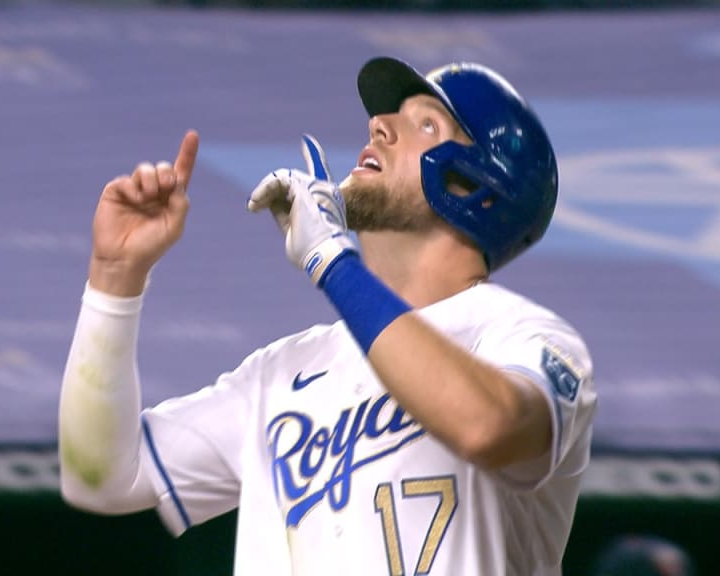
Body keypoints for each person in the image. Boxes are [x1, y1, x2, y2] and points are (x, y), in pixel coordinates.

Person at [57, 56, 598, 576]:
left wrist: (333, 263)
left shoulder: (524, 335)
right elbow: (103, 478)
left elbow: (489, 426)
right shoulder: (282, 373)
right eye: (387, 117)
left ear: (476, 188)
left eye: (425, 125)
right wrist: (114, 278)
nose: (379, 126)